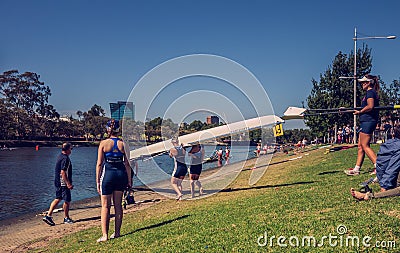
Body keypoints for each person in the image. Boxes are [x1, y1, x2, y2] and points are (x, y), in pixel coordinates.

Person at [96, 119, 132, 242]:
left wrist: (97, 181)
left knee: (105, 206)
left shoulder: (103, 144)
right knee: (118, 206)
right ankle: (117, 233)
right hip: (120, 175)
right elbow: (127, 164)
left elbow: (99, 164)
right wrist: (129, 180)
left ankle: (105, 235)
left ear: (108, 130)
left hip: (108, 176)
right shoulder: (123, 144)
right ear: (118, 130)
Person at [350, 126, 400, 200]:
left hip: (382, 176)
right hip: (390, 180)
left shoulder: (389, 143)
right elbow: (392, 168)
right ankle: (370, 196)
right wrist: (385, 186)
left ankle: (369, 195)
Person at [345, 74, 380, 176]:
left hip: (368, 121)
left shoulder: (370, 92)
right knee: (360, 146)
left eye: (364, 82)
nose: (362, 84)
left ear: (369, 83)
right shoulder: (369, 92)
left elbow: (370, 106)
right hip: (365, 121)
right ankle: (357, 169)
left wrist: (360, 112)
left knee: (365, 145)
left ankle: (378, 166)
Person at [42, 143, 74, 226]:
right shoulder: (65, 159)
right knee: (67, 200)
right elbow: (63, 172)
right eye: (71, 149)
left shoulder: (60, 156)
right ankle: (66, 218)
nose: (71, 150)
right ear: (67, 150)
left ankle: (48, 215)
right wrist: (68, 184)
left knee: (58, 198)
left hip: (58, 181)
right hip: (63, 183)